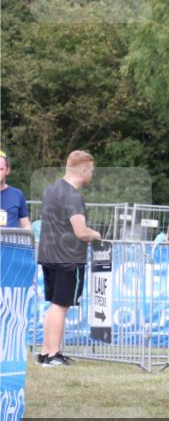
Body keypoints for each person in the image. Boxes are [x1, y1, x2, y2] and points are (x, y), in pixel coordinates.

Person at [36, 150, 102, 367]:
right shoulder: (73, 197)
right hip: (68, 258)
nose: (91, 175)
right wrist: (96, 235)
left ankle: (46, 353)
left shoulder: (51, 190)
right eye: (91, 171)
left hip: (49, 255)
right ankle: (54, 354)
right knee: (60, 306)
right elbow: (81, 232)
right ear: (83, 171)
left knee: (53, 306)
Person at [0, 151, 31, 229]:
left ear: (7, 170)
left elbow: (26, 224)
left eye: (0, 169)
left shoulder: (18, 195)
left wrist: (28, 237)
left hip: (11, 241)